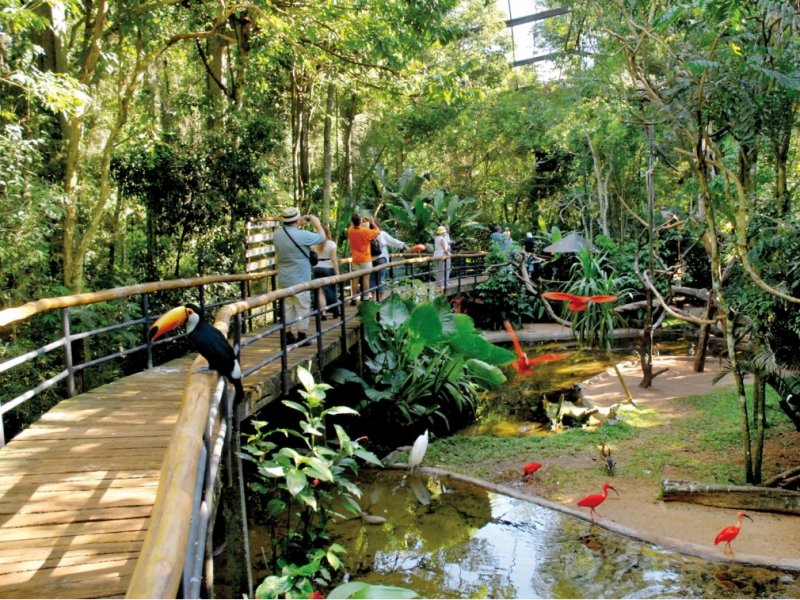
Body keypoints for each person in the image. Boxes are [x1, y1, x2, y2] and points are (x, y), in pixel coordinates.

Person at [273, 207, 325, 346]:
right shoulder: (303, 235)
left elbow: (291, 233)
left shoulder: (277, 234)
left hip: (284, 278)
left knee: (288, 306)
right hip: (301, 278)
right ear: (296, 220)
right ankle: (302, 335)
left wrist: (298, 223)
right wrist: (316, 223)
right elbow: (322, 237)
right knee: (302, 305)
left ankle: (288, 334)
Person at [370, 219, 407, 302]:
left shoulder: (368, 234)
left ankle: (373, 298)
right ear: (378, 225)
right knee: (381, 279)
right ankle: (381, 298)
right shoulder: (382, 234)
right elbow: (393, 241)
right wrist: (403, 245)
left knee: (372, 279)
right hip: (381, 258)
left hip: (371, 259)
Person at [347, 214, 380, 303]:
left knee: (355, 278)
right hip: (365, 258)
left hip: (355, 258)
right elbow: (377, 231)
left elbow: (354, 225)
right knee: (366, 278)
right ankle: (365, 297)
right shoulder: (365, 231)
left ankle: (353, 298)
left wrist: (359, 220)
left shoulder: (350, 230)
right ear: (360, 222)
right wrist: (372, 222)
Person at [312, 224, 340, 319]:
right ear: (328, 233)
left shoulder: (315, 245)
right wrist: (337, 272)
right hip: (329, 268)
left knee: (320, 292)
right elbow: (333, 259)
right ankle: (335, 310)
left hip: (318, 268)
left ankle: (323, 313)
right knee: (331, 290)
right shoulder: (332, 244)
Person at [433, 225, 451, 291]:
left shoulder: (436, 238)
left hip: (436, 255)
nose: (445, 233)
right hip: (441, 255)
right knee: (442, 269)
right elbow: (445, 249)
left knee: (438, 269)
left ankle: (438, 283)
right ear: (442, 232)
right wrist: (448, 254)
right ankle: (442, 284)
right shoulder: (442, 239)